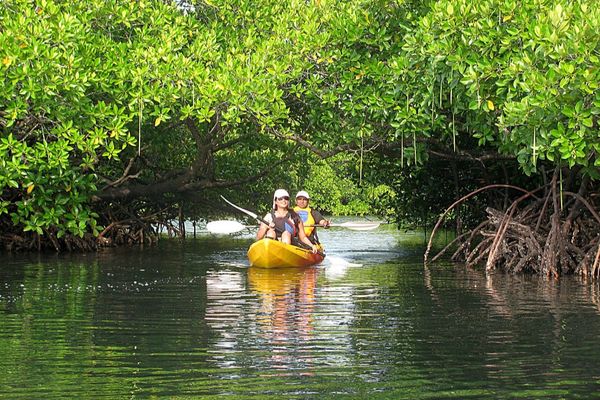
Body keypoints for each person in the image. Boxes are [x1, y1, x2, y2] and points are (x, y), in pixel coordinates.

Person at [256, 189, 319, 253]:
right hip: (272, 246)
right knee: (270, 232)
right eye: (280, 199)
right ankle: (269, 253)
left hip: (290, 245)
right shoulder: (268, 217)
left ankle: (284, 253)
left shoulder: (295, 217)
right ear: (275, 201)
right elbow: (258, 238)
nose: (284, 200)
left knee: (286, 234)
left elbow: (303, 237)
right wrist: (267, 227)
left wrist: (312, 245)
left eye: (286, 198)